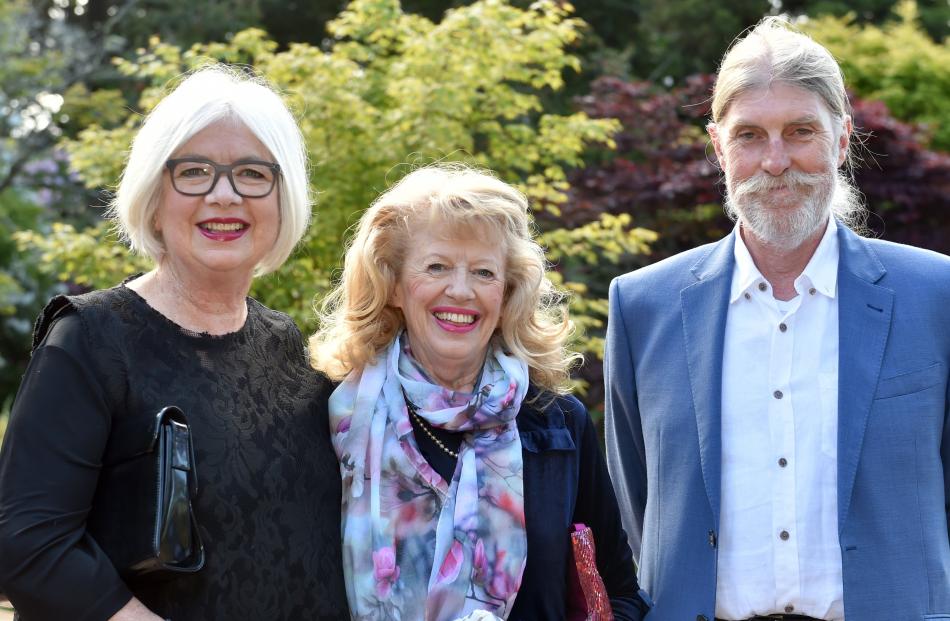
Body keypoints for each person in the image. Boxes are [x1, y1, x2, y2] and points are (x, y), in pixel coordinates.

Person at [605, 16, 950, 621]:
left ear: (842, 140)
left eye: (799, 132)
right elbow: (636, 501)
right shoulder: (643, 308)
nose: (775, 161)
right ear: (718, 146)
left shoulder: (936, 295)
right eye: (749, 136)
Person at [0, 66, 348, 620]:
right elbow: (31, 545)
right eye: (194, 171)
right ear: (154, 196)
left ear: (284, 198)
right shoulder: (90, 341)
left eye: (253, 173)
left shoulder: (286, 346)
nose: (224, 194)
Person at [310, 164, 649, 621]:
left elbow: (620, 592)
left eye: (484, 273)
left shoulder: (558, 425)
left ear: (507, 293)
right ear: (392, 285)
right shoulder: (332, 416)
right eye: (437, 267)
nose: (461, 290)